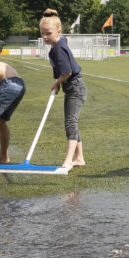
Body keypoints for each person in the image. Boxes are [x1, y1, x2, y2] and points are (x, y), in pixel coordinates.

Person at [39, 9, 86, 169]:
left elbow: (67, 72)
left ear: (58, 31)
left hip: (75, 87)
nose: (45, 37)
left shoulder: (58, 48)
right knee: (71, 122)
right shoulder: (59, 42)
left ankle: (68, 161)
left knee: (70, 123)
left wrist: (57, 82)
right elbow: (65, 40)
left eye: (48, 33)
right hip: (71, 87)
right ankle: (79, 158)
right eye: (42, 33)